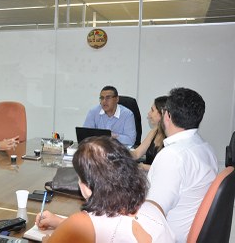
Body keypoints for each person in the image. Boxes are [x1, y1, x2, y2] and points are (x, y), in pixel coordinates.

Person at [35, 136, 175, 243]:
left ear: (87, 187)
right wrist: (60, 222)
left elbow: (95, 226)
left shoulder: (79, 223)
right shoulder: (154, 207)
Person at [147, 87, 218, 243]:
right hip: (188, 230)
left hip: (167, 236)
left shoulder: (172, 156)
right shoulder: (207, 149)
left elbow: (151, 214)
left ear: (167, 115)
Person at [131, 96, 167, 170]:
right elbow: (137, 153)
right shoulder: (154, 131)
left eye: (152, 110)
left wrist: (143, 167)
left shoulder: (170, 138)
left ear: (162, 113)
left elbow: (166, 169)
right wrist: (119, 154)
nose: (149, 114)